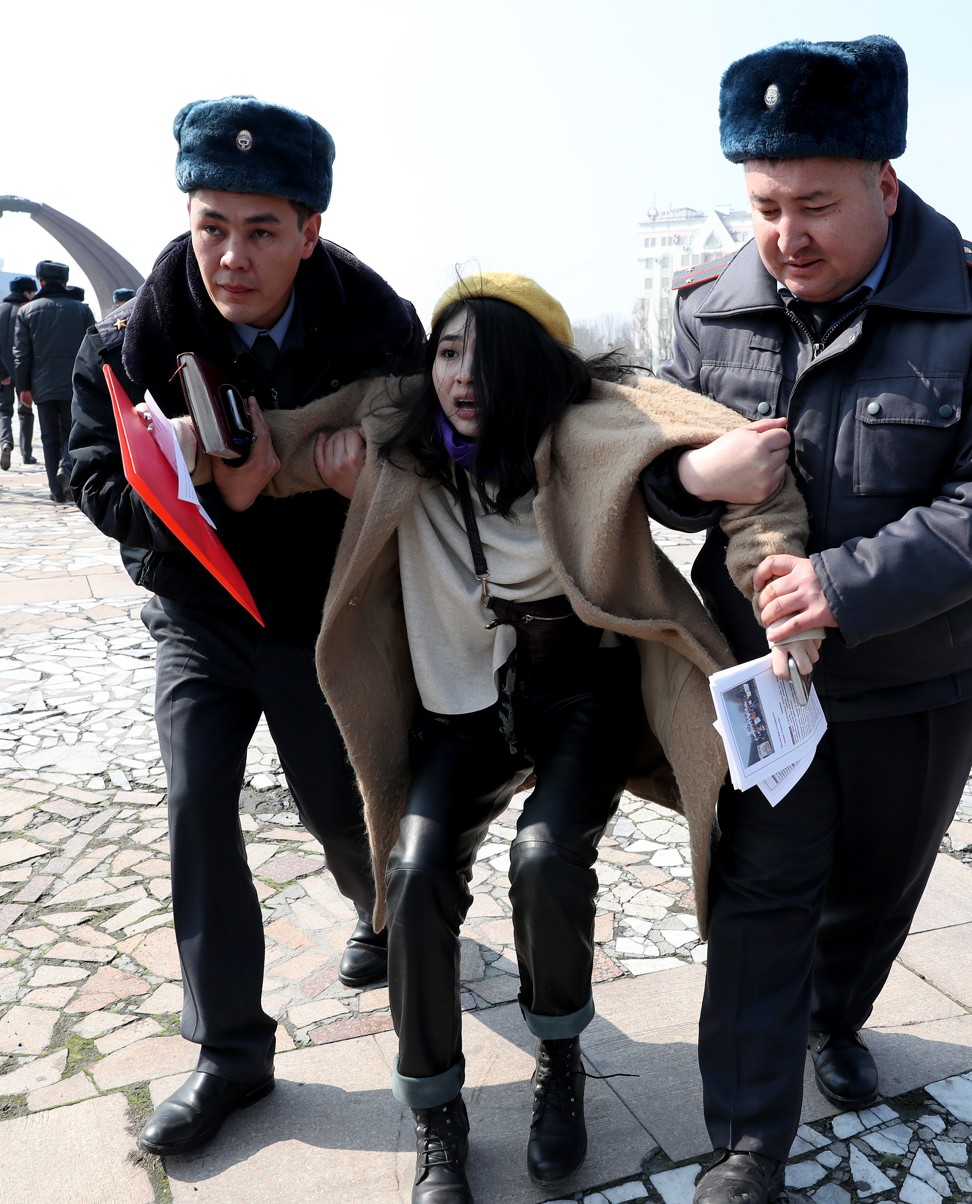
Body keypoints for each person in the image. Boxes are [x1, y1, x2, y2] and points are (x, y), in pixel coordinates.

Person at [243, 272, 814, 1203]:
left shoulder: (587, 431)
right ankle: (436, 1114)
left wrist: (781, 587)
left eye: (489, 356)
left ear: (541, 372)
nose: (463, 378)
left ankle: (560, 1063)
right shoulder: (398, 435)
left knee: (547, 858)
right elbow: (274, 448)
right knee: (415, 876)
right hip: (457, 711)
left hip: (579, 696)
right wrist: (204, 441)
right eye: (449, 352)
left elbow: (740, 467)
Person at [646, 35, 972, 1204]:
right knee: (761, 896)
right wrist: (693, 482)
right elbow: (644, 474)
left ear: (886, 183)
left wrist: (848, 581)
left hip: (918, 679)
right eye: (766, 205)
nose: (787, 236)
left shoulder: (967, 305)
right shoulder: (709, 313)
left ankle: (840, 1016)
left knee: (877, 891)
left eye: (817, 205)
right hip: (765, 682)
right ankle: (746, 1142)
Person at [69, 95, 424, 1156]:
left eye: (262, 230)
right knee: (195, 804)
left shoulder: (376, 325)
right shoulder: (135, 341)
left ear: (309, 232)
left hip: (322, 624)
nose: (230, 256)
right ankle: (231, 1051)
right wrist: (210, 499)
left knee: (341, 806)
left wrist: (363, 473)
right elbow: (95, 476)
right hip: (201, 618)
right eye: (210, 224)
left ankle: (379, 914)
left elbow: (442, 449)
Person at [14, 260, 93, 499]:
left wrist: (23, 387)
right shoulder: (82, 310)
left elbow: (21, 355)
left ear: (41, 281)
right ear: (65, 283)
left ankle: (56, 491)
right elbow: (94, 349)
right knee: (74, 434)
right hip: (76, 385)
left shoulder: (26, 311)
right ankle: (68, 469)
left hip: (42, 385)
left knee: (49, 437)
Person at [0, 274, 38, 468]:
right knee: (26, 412)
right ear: (26, 292)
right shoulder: (28, 310)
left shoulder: (0, 310)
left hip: (2, 373)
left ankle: (5, 442)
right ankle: (27, 454)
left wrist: (2, 373)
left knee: (4, 411)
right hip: (24, 371)